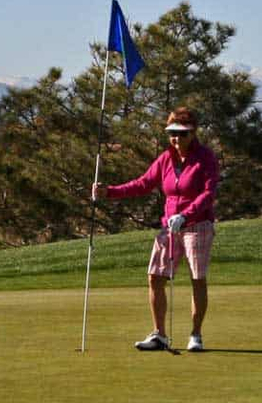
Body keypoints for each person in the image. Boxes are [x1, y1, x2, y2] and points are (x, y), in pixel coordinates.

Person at [93, 107, 220, 352]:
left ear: (193, 133)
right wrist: (109, 191)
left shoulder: (205, 158)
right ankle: (159, 335)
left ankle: (196, 335)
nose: (176, 138)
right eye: (172, 133)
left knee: (197, 279)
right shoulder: (166, 159)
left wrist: (186, 214)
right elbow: (143, 184)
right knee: (155, 277)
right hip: (170, 227)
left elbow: (208, 193)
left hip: (198, 226)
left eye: (182, 134)